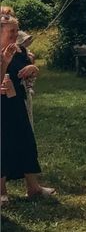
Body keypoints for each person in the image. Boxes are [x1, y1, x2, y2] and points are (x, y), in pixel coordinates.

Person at [1, 14, 55, 206]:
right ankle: (2, 192)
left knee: (26, 141)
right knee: (3, 145)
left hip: (17, 101)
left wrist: (33, 68)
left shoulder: (20, 51)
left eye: (17, 31)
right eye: (11, 32)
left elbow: (30, 72)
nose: (16, 35)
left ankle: (33, 187)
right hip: (1, 105)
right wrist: (4, 63)